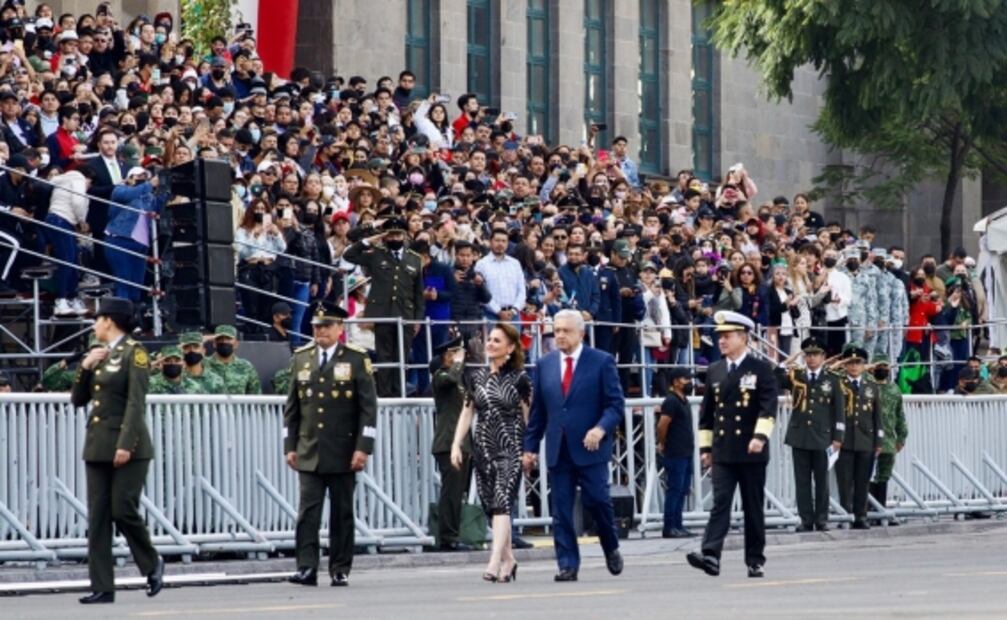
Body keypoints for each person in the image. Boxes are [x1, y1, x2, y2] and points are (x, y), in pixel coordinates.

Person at [70, 297, 163, 604]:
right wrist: (85, 367)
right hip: (98, 445)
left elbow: (136, 404)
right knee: (98, 517)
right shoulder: (100, 354)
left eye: (97, 319)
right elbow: (78, 399)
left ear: (109, 320)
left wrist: (125, 444)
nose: (95, 325)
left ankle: (151, 562)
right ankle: (102, 585)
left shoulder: (134, 353)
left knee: (122, 508)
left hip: (128, 446)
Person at [523, 310, 624, 583]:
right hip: (559, 448)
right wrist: (529, 448)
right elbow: (538, 413)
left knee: (598, 502)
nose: (560, 336)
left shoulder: (601, 362)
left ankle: (610, 545)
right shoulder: (544, 365)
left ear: (581, 333)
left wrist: (600, 428)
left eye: (566, 330)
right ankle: (567, 564)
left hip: (591, 448)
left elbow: (615, 405)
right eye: (556, 331)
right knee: (561, 510)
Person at [285, 303, 377, 588]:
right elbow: (292, 408)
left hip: (343, 450)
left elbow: (368, 409)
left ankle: (340, 567)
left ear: (339, 328)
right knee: (307, 513)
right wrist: (289, 445)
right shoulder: (302, 359)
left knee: (342, 513)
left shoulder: (355, 359)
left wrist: (363, 447)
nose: (320, 331)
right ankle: (306, 567)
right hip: (309, 449)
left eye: (326, 326)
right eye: (316, 326)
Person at [687, 310, 778, 579]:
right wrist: (706, 450)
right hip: (724, 450)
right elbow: (707, 416)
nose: (721, 342)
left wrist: (760, 438)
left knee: (752, 506)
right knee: (721, 502)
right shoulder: (714, 370)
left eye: (727, 336)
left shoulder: (761, 370)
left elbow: (767, 409)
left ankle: (755, 559)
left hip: (751, 451)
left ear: (744, 338)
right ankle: (711, 554)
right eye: (719, 337)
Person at [451, 323, 530, 582]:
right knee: (491, 506)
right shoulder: (476, 377)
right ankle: (509, 559)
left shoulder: (520, 379)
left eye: (497, 341)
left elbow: (529, 418)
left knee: (502, 503)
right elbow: (467, 411)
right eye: (490, 339)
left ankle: (494, 561)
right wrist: (456, 444)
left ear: (510, 348)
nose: (491, 344)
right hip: (483, 447)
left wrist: (529, 451)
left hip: (511, 447)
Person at [343, 217, 425, 397]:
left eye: (398, 234)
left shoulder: (415, 259)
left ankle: (399, 395)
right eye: (391, 235)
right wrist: (369, 238)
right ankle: (386, 396)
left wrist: (417, 319)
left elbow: (418, 293)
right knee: (384, 357)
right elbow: (348, 255)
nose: (394, 239)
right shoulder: (376, 253)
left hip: (405, 315)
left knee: (402, 357)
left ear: (404, 235)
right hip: (382, 313)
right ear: (385, 236)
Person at [776, 336, 845, 532]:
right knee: (802, 481)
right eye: (808, 355)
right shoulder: (796, 376)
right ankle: (806, 519)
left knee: (822, 481)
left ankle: (821, 518)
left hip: (823, 436)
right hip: (800, 435)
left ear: (823, 356)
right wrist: (783, 364)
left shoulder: (832, 379)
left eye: (815, 355)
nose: (811, 359)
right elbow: (776, 379)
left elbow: (839, 410)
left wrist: (838, 437)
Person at [430, 335, 473, 552]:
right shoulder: (441, 376)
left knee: (458, 492)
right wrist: (457, 363)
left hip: (462, 443)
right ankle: (448, 536)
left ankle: (454, 533)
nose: (458, 357)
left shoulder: (459, 378)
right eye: (452, 353)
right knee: (451, 492)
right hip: (448, 443)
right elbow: (449, 380)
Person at [834, 344, 882, 529]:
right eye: (850, 363)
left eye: (858, 363)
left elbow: (877, 416)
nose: (854, 367)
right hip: (845, 440)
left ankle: (861, 515)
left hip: (865, 439)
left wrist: (879, 440)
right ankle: (845, 515)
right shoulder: (838, 384)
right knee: (844, 481)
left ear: (864, 365)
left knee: (863, 481)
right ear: (844, 365)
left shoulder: (871, 386)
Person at [868, 353, 907, 525]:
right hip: (868, 438)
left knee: (884, 475)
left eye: (885, 366)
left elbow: (899, 415)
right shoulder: (867, 386)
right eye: (879, 366)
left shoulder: (894, 389)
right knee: (867, 475)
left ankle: (880, 510)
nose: (882, 370)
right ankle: (868, 511)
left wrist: (902, 436)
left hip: (889, 440)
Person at [657, 367, 696, 538]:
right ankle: (669, 526)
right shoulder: (671, 401)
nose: (689, 382)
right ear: (675, 382)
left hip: (686, 451)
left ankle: (678, 525)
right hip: (675, 452)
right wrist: (662, 443)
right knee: (674, 489)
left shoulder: (683, 400)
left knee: (682, 489)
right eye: (685, 379)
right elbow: (662, 424)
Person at [204, 325, 262, 394]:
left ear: (236, 344)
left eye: (228, 339)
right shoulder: (203, 364)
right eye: (220, 339)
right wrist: (205, 338)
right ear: (214, 343)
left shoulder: (246, 367)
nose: (224, 342)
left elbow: (256, 396)